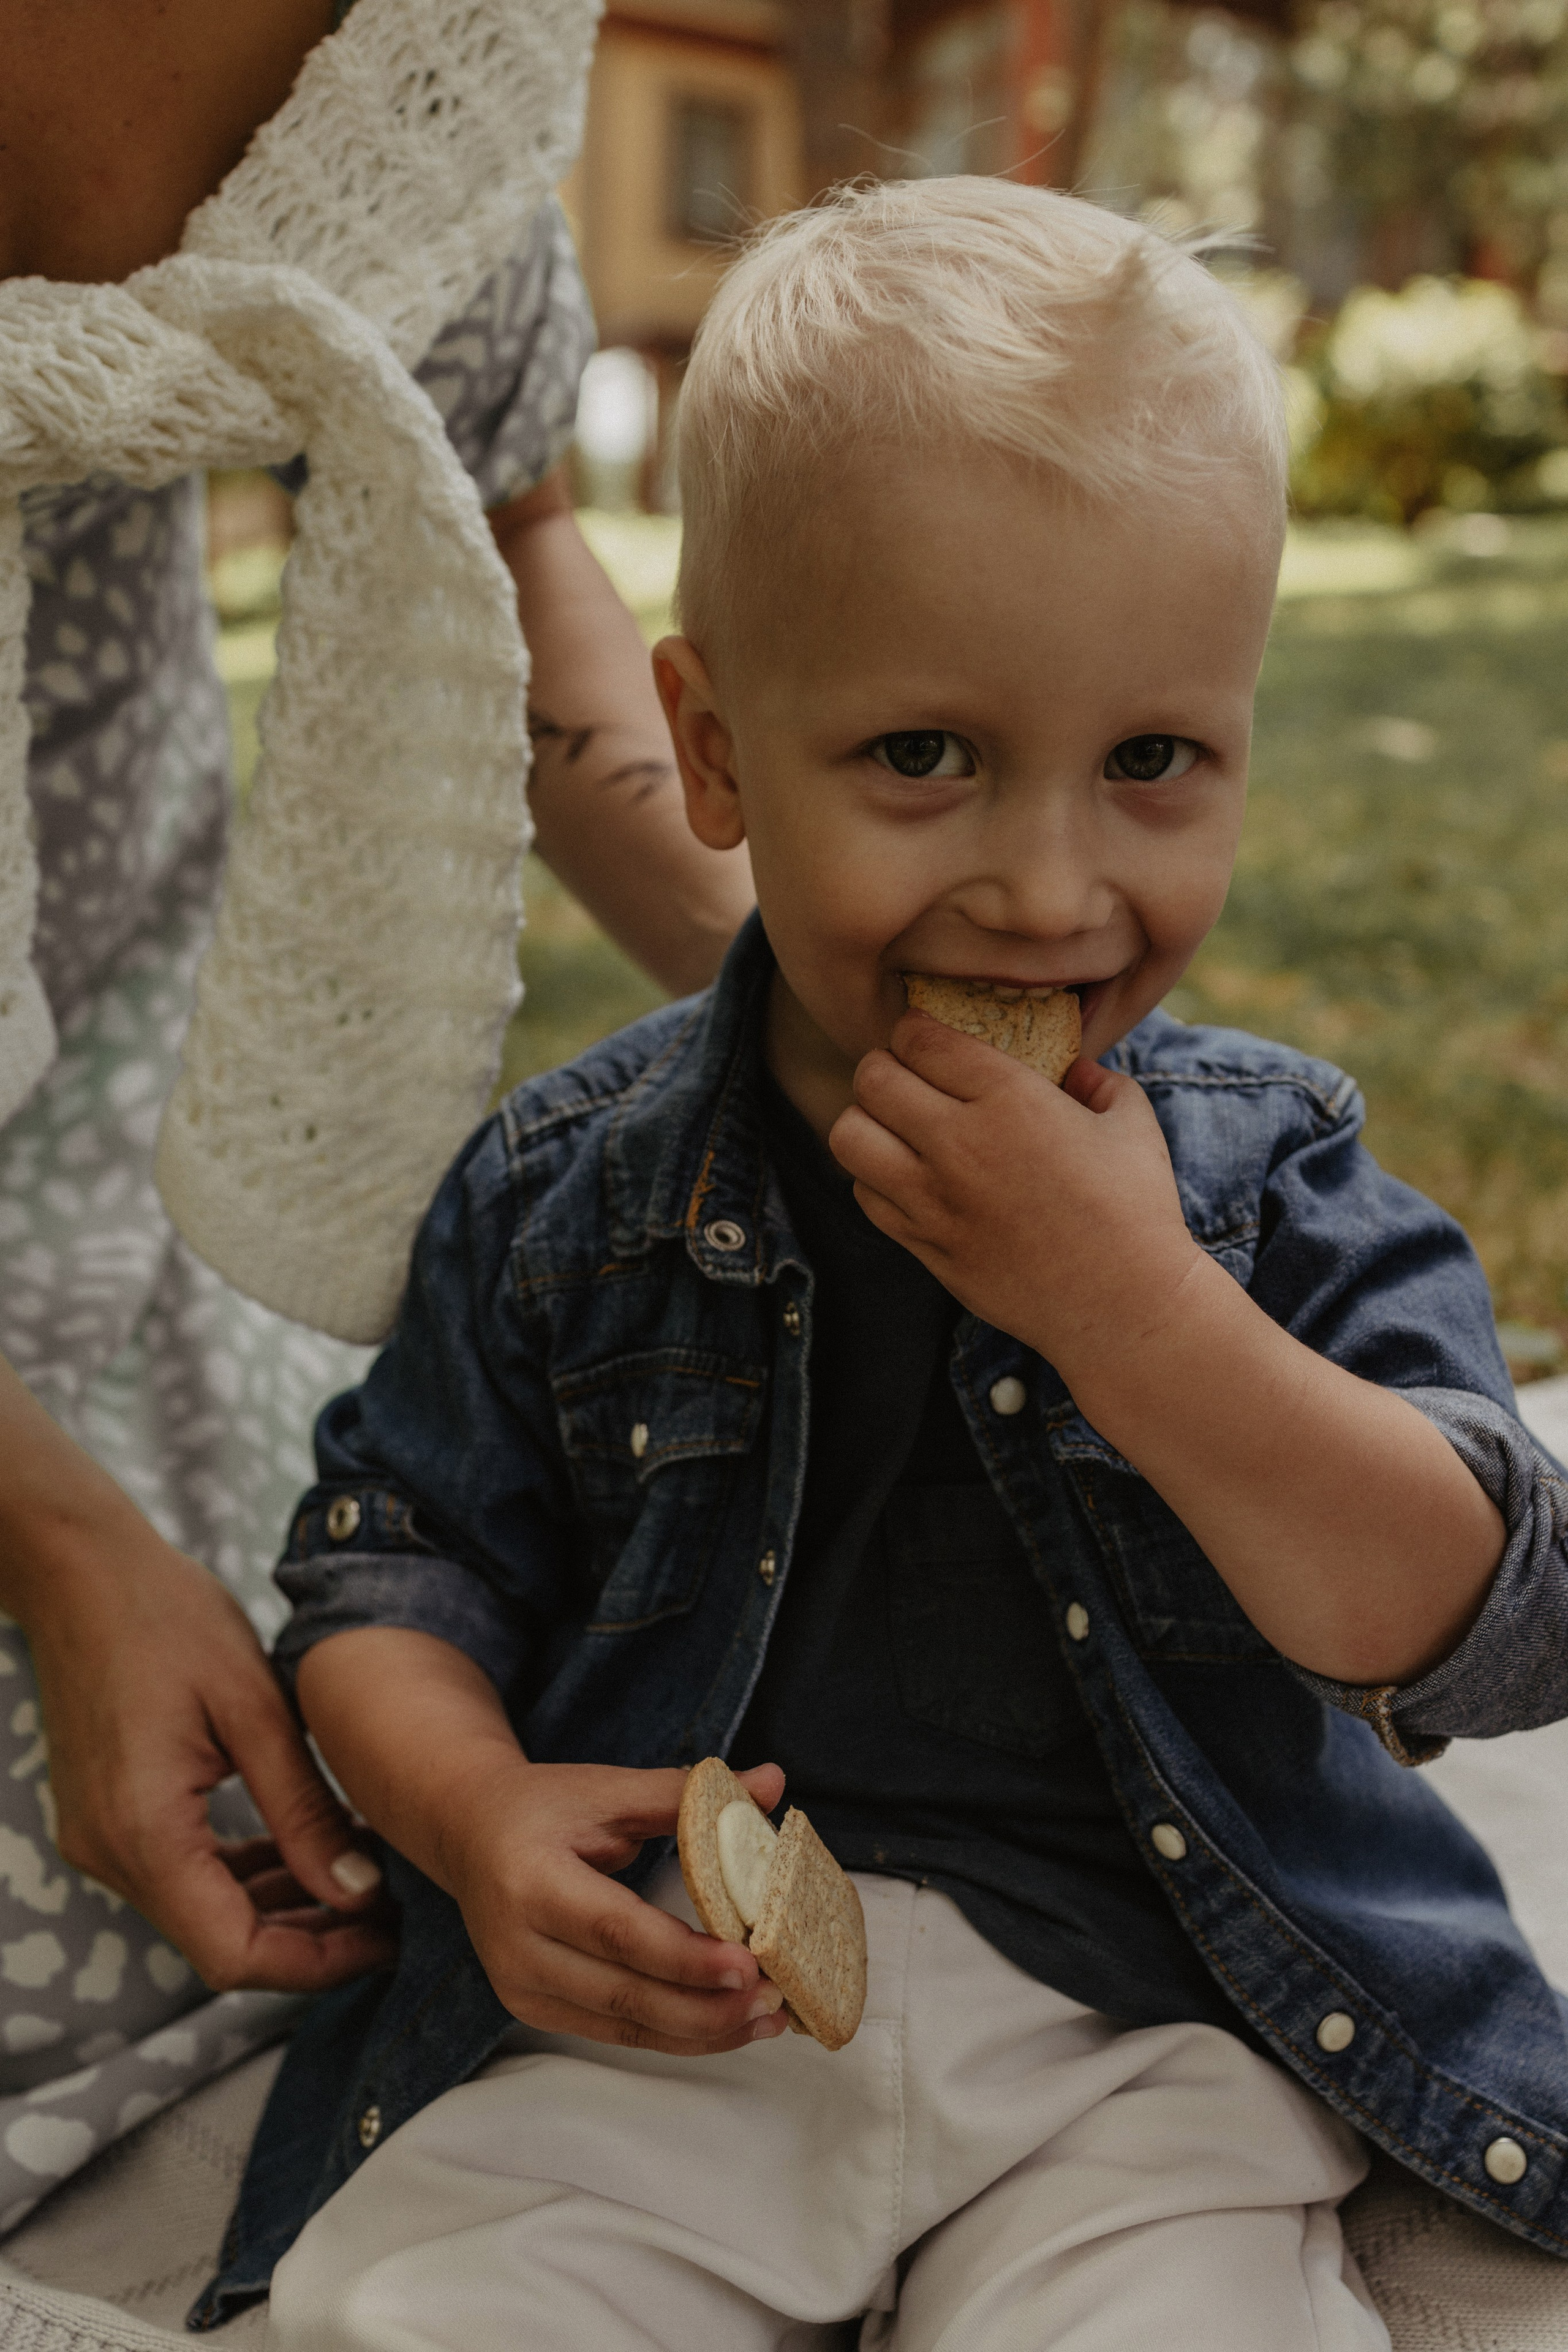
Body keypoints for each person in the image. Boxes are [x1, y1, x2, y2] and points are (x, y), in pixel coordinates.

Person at [214, 178, 1567, 2346]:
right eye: (924, 757)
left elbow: (1480, 1621)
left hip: (1157, 2020)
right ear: (724, 751)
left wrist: (1137, 1310)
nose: (1049, 890)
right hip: (677, 2027)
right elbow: (391, 1571)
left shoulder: (1265, 1174)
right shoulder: (576, 1191)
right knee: (418, 2302)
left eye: (1151, 763)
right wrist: (473, 1819)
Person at [0, 0, 751, 2226]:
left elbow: (504, 528)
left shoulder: (412, 37)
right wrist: (64, 1552)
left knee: (436, 1673)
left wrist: (822, 985)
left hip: (122, 1111)